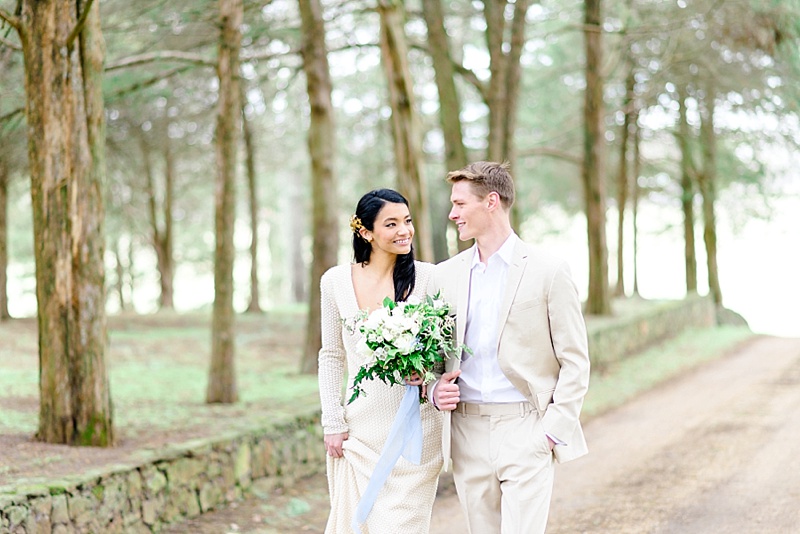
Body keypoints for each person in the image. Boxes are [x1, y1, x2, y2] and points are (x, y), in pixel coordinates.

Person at [429, 161, 591, 534]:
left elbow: (575, 360)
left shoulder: (548, 270)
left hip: (526, 426)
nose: (452, 214)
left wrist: (550, 431)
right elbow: (433, 361)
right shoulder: (445, 275)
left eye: (460, 204)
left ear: (491, 201)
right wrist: (435, 388)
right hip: (465, 432)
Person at [317, 188, 443, 533]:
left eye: (408, 220)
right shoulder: (335, 282)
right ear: (365, 232)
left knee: (401, 525)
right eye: (392, 223)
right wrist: (333, 420)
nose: (405, 230)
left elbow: (445, 352)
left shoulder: (429, 277)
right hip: (360, 430)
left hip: (416, 428)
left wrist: (427, 378)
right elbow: (331, 355)